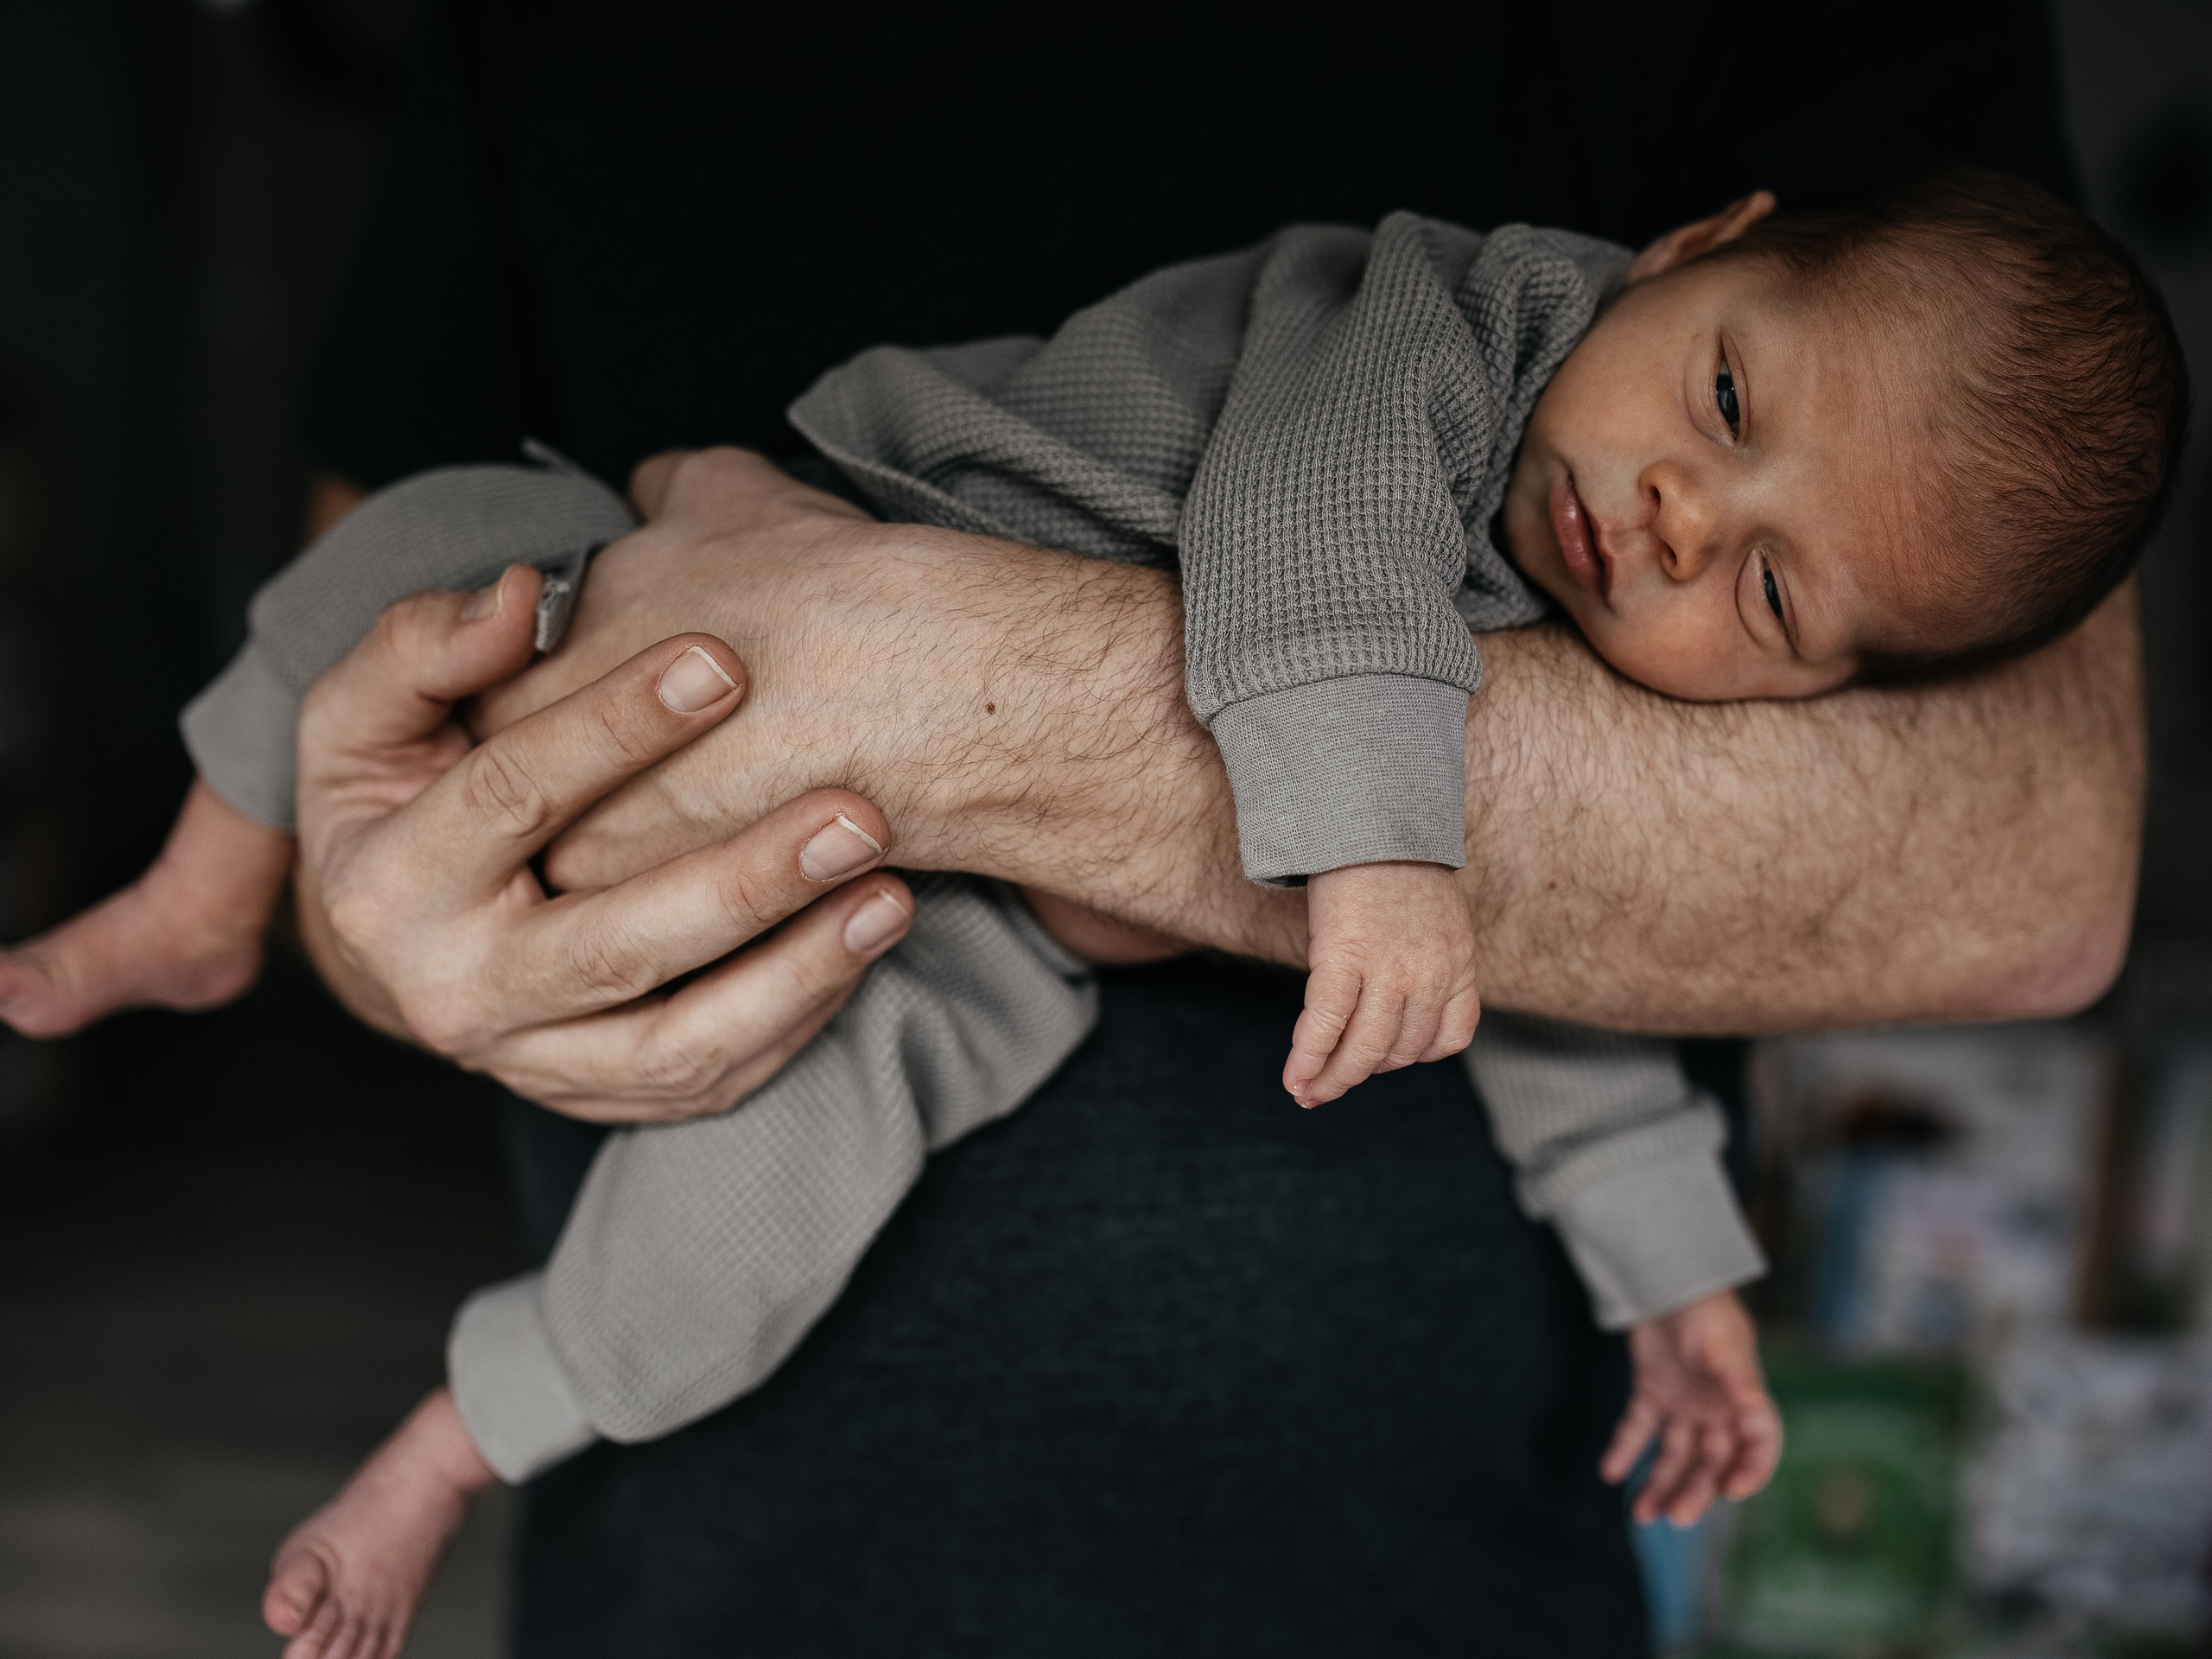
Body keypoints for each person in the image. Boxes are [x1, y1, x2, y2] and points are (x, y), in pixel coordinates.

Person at [37, 3, 2167, 1654]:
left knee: (754, 1204)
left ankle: (447, 1441)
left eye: (1776, 599)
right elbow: (1306, 532)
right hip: (753, 607)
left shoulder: (1619, 578)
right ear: (1694, 254)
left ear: (1817, 693)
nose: (1691, 521)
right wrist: (1393, 850)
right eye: (1720, 399)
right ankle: (198, 888)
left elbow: (1568, 997)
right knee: (437, 551)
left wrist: (1669, 1268)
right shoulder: (1456, 319)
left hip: (1040, 1089)